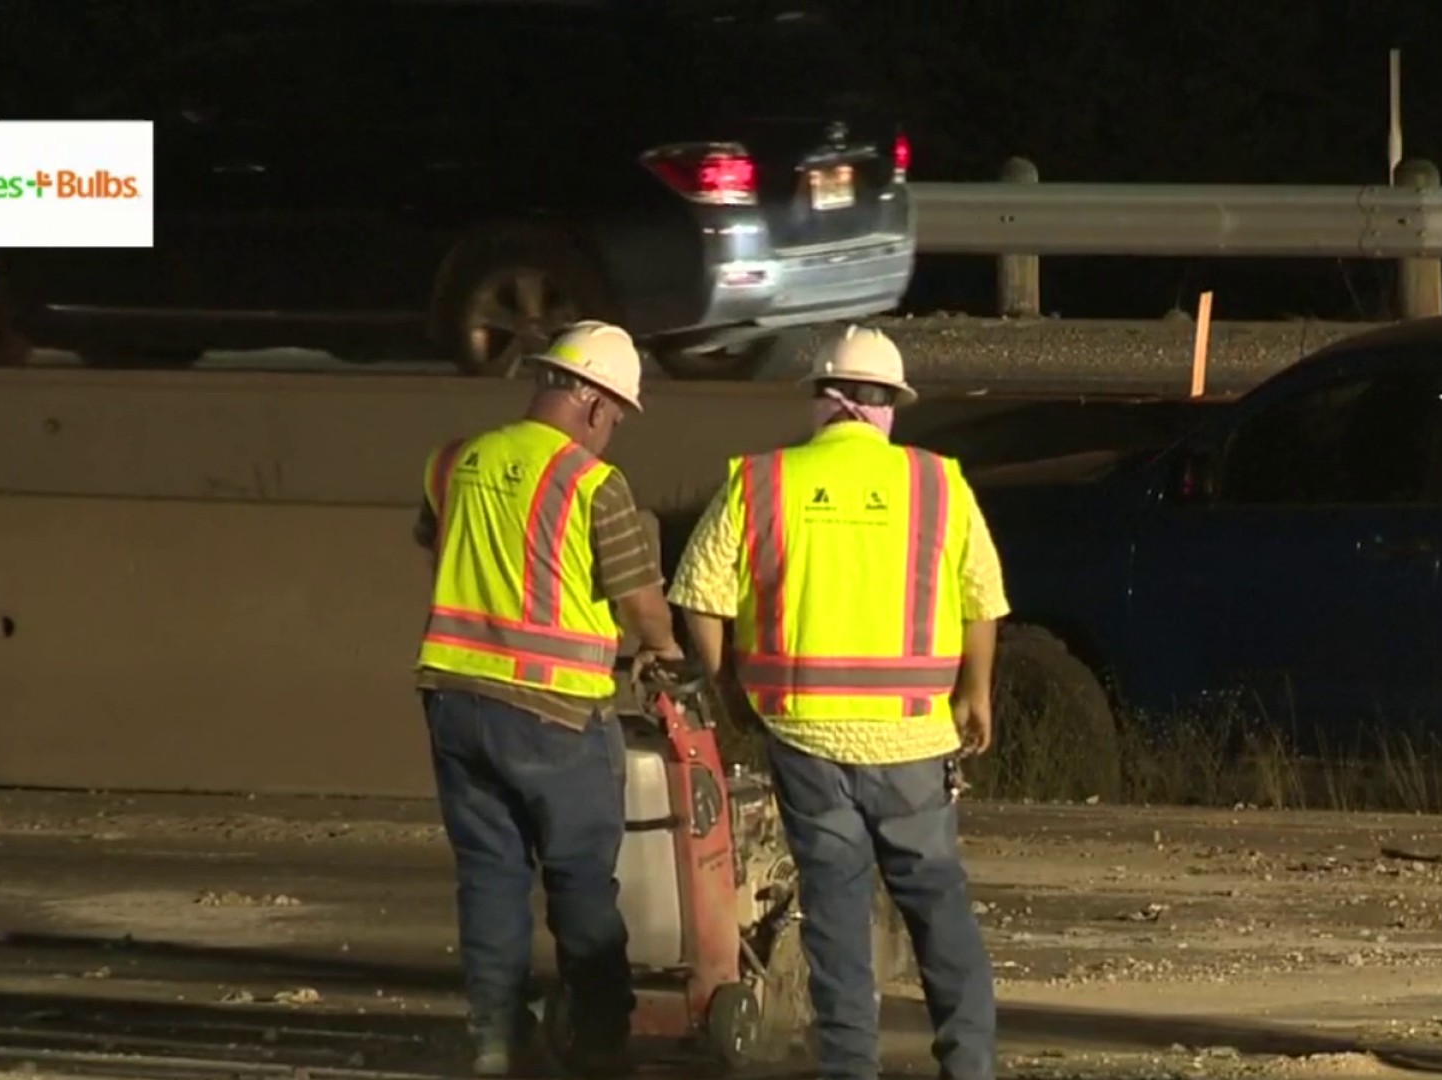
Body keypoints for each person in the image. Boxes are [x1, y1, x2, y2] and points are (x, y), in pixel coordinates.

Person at [666, 325, 1009, 1080]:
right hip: (913, 741)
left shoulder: (763, 480)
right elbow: (983, 598)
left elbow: (698, 595)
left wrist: (731, 687)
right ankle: (971, 1065)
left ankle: (851, 1068)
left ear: (823, 401)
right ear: (887, 406)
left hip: (804, 732)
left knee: (837, 913)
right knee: (937, 908)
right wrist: (976, 691)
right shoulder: (936, 483)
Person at [413, 319, 683, 1078]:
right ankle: (600, 1043)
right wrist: (661, 648)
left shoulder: (453, 460)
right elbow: (638, 602)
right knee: (579, 882)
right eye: (618, 419)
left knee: (490, 875)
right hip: (557, 715)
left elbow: (442, 547)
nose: (613, 434)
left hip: (454, 702)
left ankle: (495, 1042)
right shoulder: (595, 485)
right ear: (598, 407)